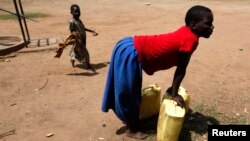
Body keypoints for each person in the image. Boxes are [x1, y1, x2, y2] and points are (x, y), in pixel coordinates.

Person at [101, 5, 214, 139]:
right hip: (131, 53)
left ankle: (132, 121)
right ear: (193, 25)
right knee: (129, 92)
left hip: (129, 46)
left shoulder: (187, 32)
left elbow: (180, 67)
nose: (212, 27)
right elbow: (181, 69)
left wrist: (173, 90)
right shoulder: (190, 40)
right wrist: (174, 94)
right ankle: (131, 129)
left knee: (128, 90)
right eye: (208, 23)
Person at [69, 4, 98, 71]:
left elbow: (83, 28)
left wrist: (91, 31)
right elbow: (71, 30)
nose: (77, 13)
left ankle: (72, 60)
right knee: (85, 52)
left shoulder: (79, 20)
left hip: (83, 38)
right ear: (71, 12)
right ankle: (88, 64)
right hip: (78, 39)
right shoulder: (72, 22)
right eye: (75, 12)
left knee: (76, 51)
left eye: (78, 12)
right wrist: (74, 33)